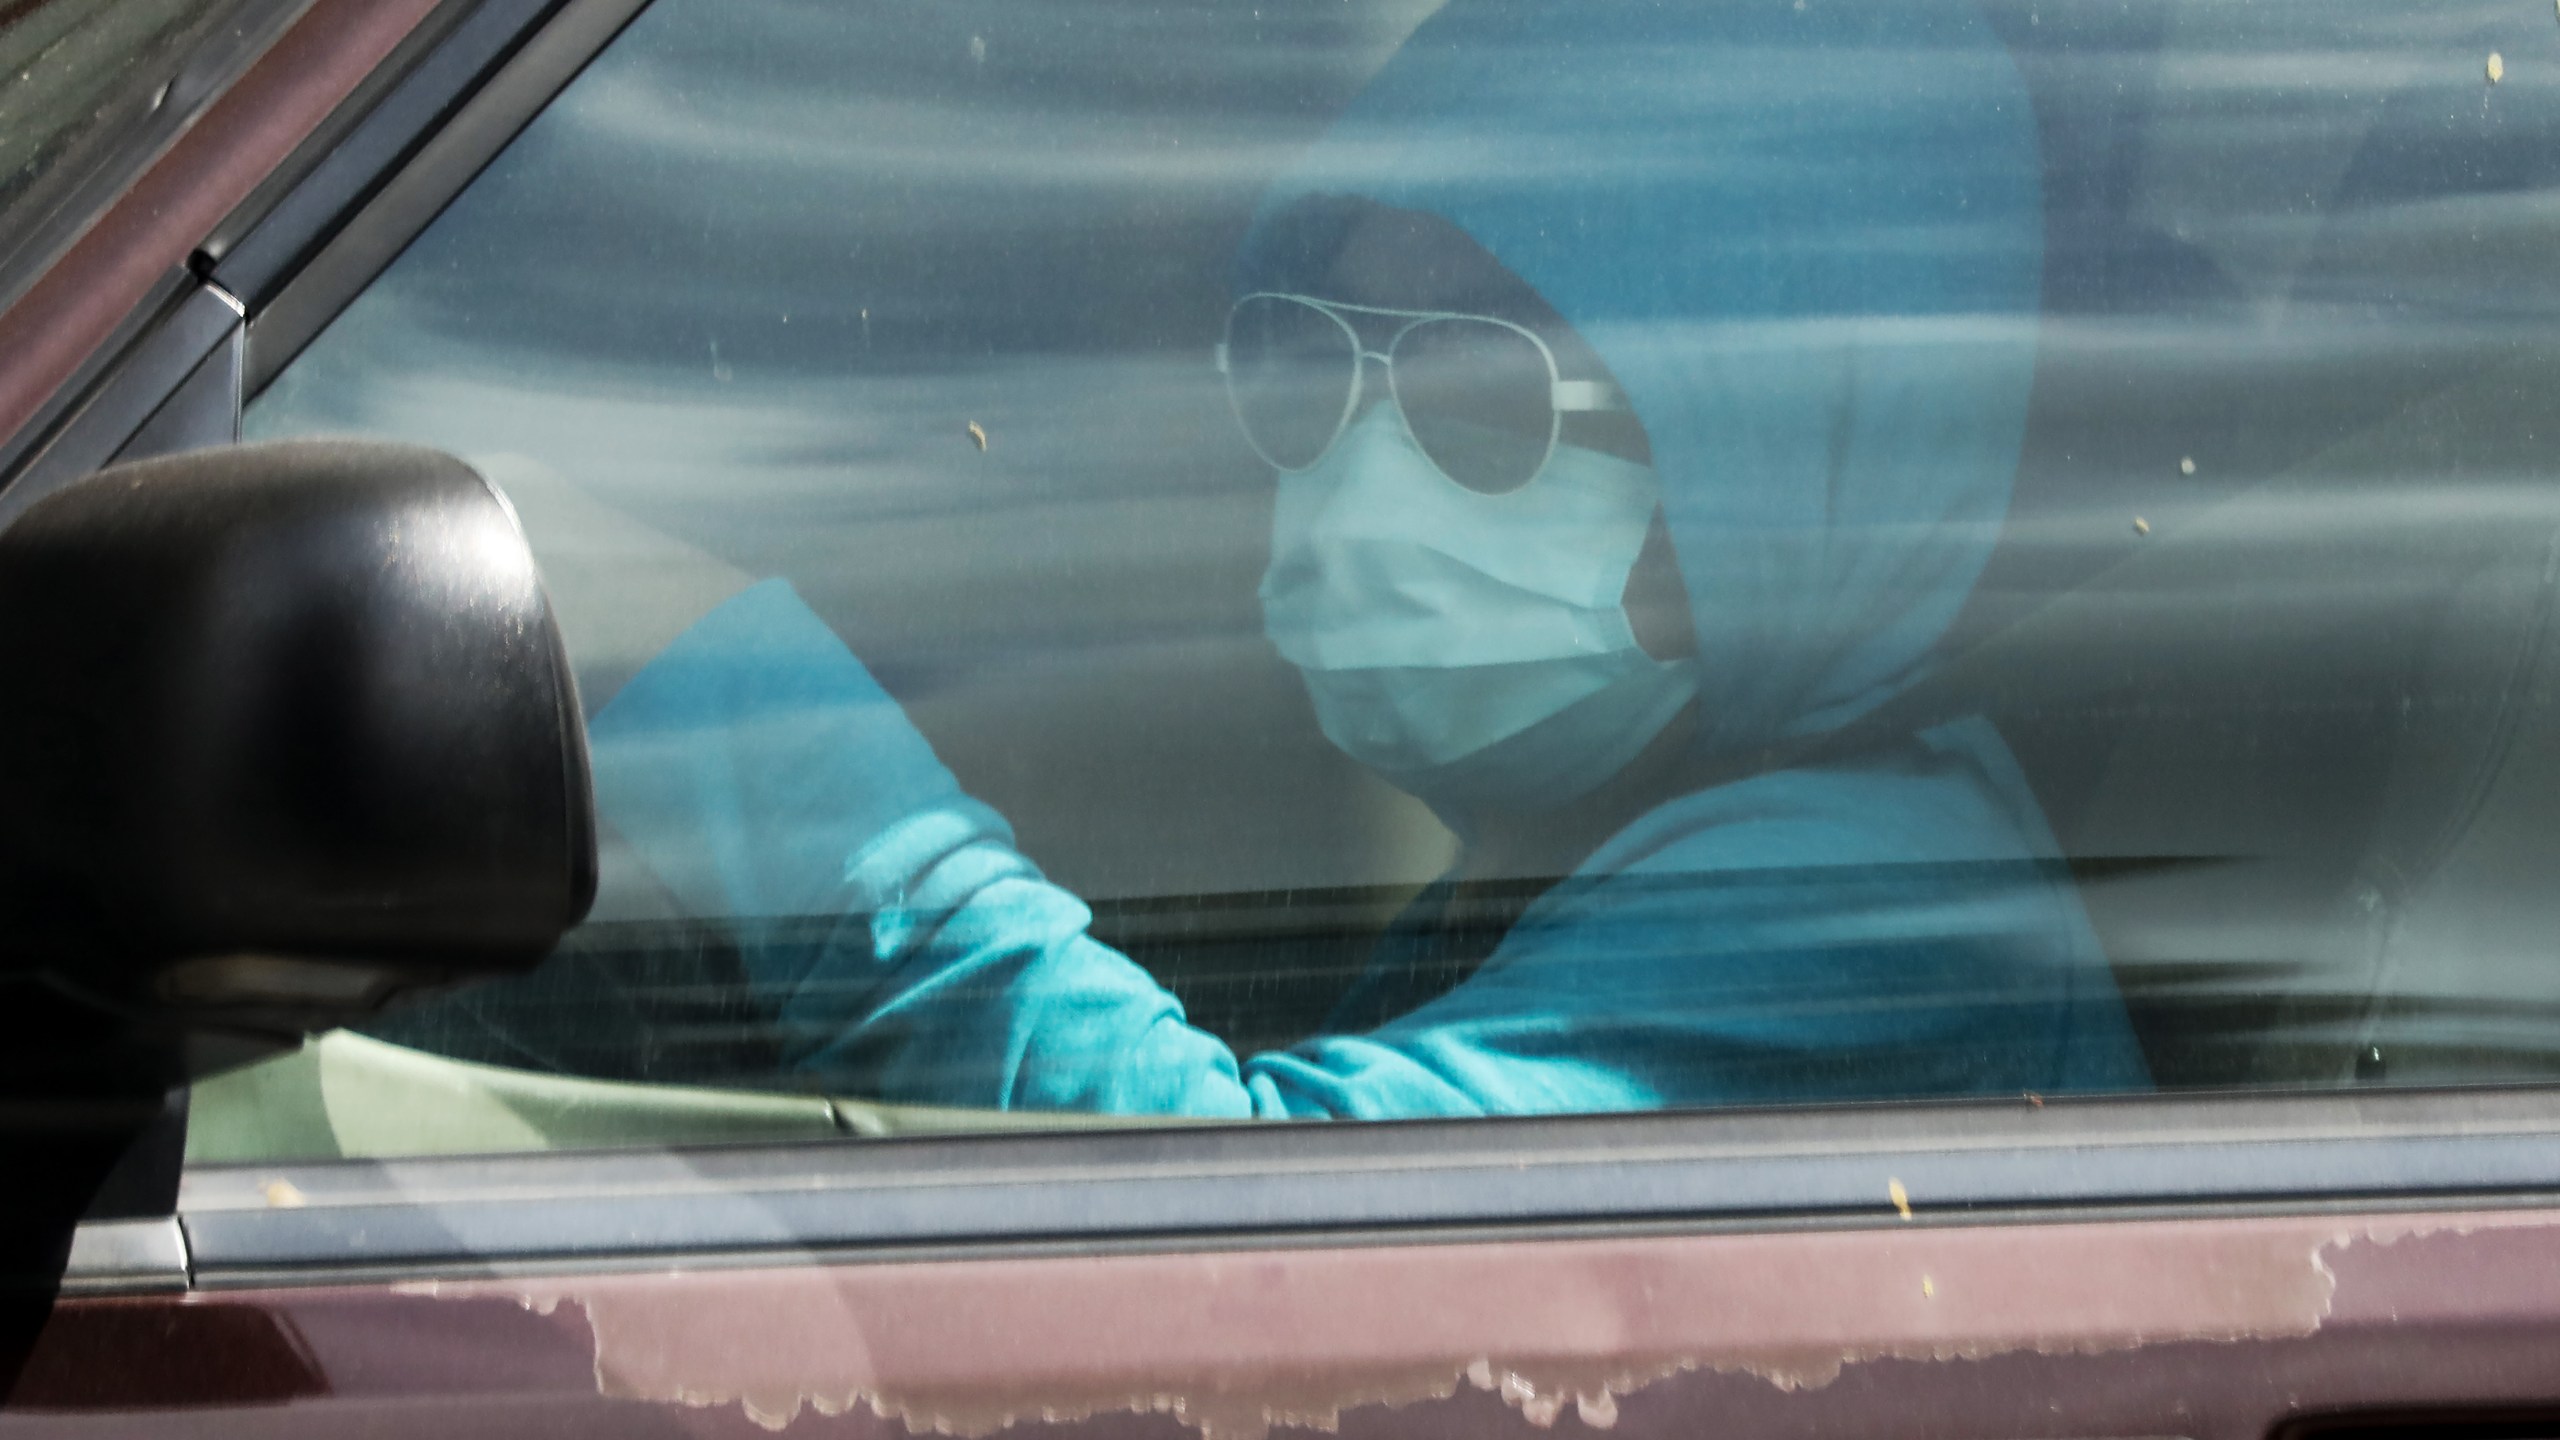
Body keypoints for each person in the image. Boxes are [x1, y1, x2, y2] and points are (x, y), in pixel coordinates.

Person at [538, 0, 2152, 1116]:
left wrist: (714, 685)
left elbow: (1225, 1231)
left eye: (1484, 384)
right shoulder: (1567, 876)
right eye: (1316, 361)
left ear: (1806, 452)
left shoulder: (1866, 913)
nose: (1361, 474)